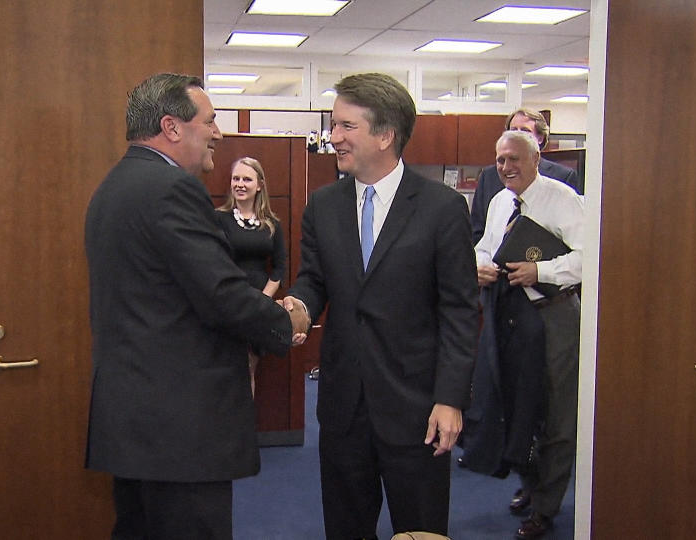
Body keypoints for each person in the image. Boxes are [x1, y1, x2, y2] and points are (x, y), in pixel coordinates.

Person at [84, 73, 310, 539]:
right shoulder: (171, 190)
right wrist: (288, 321)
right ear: (172, 127)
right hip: (179, 429)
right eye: (209, 121)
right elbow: (221, 294)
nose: (218, 133)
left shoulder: (114, 186)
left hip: (136, 421)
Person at [282, 73, 478, 539]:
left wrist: (450, 399)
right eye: (334, 125)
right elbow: (315, 279)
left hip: (418, 410)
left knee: (422, 528)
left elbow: (460, 311)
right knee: (346, 527)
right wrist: (300, 308)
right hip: (344, 405)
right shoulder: (322, 206)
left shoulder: (442, 208)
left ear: (386, 135)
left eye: (346, 127)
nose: (333, 138)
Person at [473, 130, 583, 539]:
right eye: (500, 160)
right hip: (508, 314)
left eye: (515, 159)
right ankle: (532, 484)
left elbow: (592, 256)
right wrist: (478, 264)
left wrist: (542, 271)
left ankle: (546, 507)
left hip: (552, 315)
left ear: (537, 158)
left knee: (556, 414)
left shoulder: (563, 199)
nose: (506, 167)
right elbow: (484, 247)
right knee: (514, 405)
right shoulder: (501, 201)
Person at [215, 156, 287, 396]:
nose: (240, 184)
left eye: (247, 179)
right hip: (227, 304)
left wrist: (262, 301)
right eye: (236, 178)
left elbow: (279, 268)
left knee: (248, 370)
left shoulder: (271, 224)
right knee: (225, 371)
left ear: (260, 185)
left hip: (258, 307)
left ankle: (244, 431)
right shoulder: (218, 219)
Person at [470, 108, 581, 244]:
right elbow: (482, 239)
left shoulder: (563, 190)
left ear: (540, 138)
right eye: (513, 130)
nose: (507, 167)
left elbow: (581, 250)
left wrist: (538, 266)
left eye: (524, 131)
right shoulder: (498, 196)